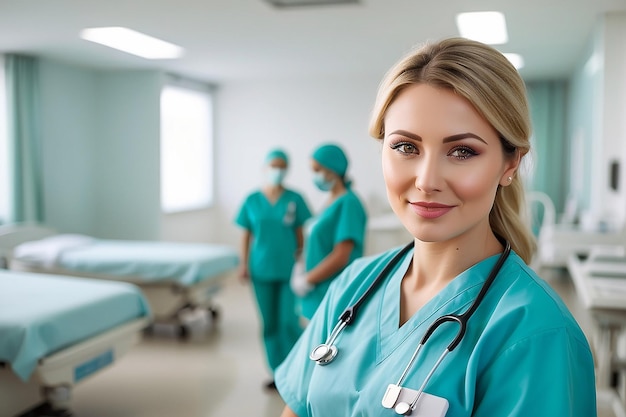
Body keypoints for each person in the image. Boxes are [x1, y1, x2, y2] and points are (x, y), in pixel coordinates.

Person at [275, 38, 596, 416]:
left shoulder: (537, 335)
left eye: (462, 152)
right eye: (406, 147)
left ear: (510, 164)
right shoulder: (353, 285)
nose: (427, 180)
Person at [234, 148, 312, 390]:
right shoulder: (252, 200)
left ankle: (298, 370)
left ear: (286, 169)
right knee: (269, 324)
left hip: (289, 270)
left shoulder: (295, 199)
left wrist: (303, 262)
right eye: (273, 165)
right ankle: (277, 372)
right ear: (265, 168)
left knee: (288, 321)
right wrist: (244, 264)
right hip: (261, 270)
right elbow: (246, 234)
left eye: (281, 166)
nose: (277, 170)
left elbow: (301, 233)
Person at [290, 143, 368, 321]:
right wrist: (302, 265)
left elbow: (342, 255)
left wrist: (308, 279)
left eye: (317, 170)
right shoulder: (331, 201)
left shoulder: (348, 203)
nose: (314, 176)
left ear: (332, 168)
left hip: (332, 289)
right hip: (318, 289)